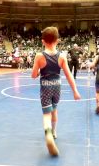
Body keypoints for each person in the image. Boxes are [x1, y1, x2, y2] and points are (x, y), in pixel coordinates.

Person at [31, 27, 81, 156]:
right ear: (57, 41)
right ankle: (53, 132)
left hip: (45, 88)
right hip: (57, 88)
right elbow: (69, 75)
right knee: (54, 110)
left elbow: (33, 75)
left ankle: (48, 135)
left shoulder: (39, 56)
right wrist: (75, 91)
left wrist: (37, 69)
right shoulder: (62, 56)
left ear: (43, 41)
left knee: (46, 114)